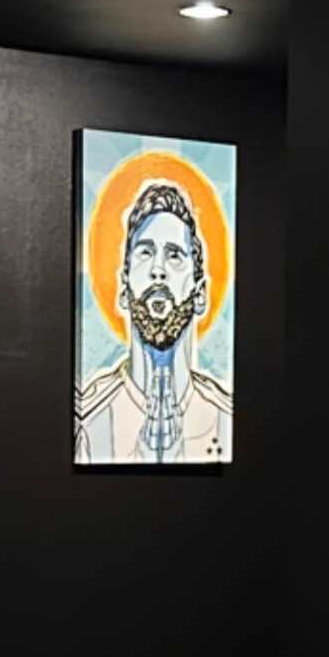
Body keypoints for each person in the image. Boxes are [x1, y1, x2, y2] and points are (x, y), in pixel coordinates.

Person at [77, 179, 231, 464]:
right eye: (146, 252)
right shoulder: (89, 422)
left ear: (200, 295)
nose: (158, 271)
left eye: (174, 256)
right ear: (123, 290)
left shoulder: (226, 419)